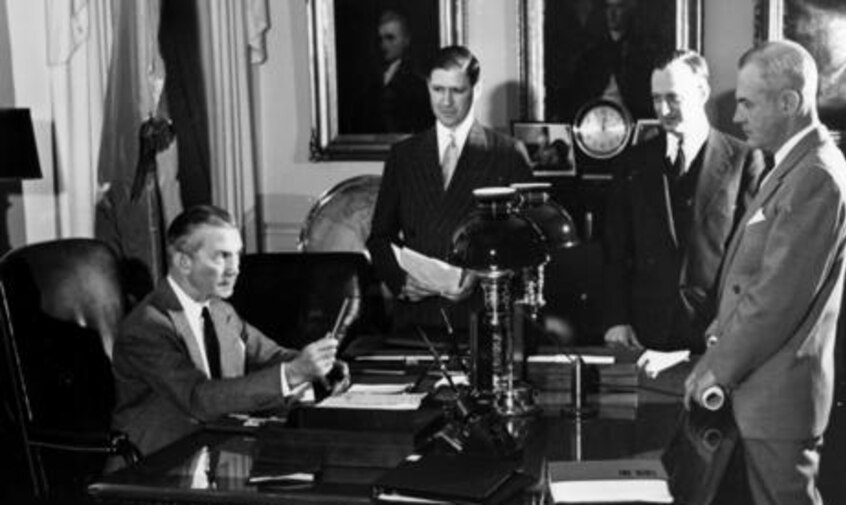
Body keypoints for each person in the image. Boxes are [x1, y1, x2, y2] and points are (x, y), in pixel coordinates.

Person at [684, 40, 846, 505]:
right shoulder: (793, 167)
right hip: (761, 391)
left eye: (747, 103)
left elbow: (776, 300)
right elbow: (756, 279)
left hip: (778, 400)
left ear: (789, 102)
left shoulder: (814, 176)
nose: (737, 117)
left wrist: (715, 368)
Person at [111, 205, 350, 457]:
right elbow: (197, 399)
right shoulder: (148, 326)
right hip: (157, 467)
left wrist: (321, 365)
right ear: (183, 261)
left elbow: (270, 355)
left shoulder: (220, 310)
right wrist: (293, 372)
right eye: (222, 256)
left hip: (219, 454)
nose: (235, 268)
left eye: (237, 255)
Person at [602, 49, 763, 352]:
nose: (663, 110)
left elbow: (750, 256)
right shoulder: (632, 163)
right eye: (656, 98)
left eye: (673, 98)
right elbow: (615, 249)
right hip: (644, 332)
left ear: (702, 92)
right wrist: (616, 320)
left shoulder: (745, 159)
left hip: (714, 331)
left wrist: (731, 324)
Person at [366, 45, 532, 335]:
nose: (446, 102)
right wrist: (399, 281)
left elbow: (528, 244)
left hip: (483, 317)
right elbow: (379, 236)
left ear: (476, 90)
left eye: (457, 90)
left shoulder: (507, 153)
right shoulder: (403, 155)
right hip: (416, 318)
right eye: (437, 89)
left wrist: (481, 276)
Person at [554, 0, 659, 122]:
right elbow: (574, 99)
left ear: (630, 10)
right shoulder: (591, 55)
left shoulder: (644, 53)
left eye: (618, 7)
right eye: (608, 7)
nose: (612, 14)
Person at [353, 10, 432, 134]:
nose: (383, 45)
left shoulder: (417, 82)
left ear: (406, 40)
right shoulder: (370, 79)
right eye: (380, 39)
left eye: (390, 38)